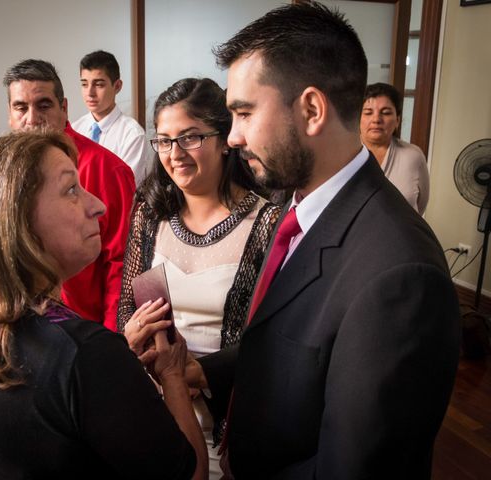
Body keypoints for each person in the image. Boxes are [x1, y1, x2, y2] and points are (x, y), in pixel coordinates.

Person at [181, 3, 460, 478]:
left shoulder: (400, 277)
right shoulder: (295, 206)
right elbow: (292, 340)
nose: (232, 138)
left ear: (311, 109)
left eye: (244, 113)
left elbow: (354, 468)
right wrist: (206, 371)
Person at [0, 131, 208, 479]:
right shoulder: (86, 355)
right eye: (71, 190)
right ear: (17, 221)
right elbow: (191, 473)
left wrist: (116, 366)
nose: (98, 205)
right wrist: (171, 374)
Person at [117, 77, 280, 478]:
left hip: (227, 408)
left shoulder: (266, 222)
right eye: (164, 140)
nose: (175, 154)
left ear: (225, 139)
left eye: (190, 138)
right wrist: (136, 339)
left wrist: (198, 374)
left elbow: (271, 339)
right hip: (154, 395)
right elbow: (127, 302)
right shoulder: (150, 211)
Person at [3, 59, 135, 331]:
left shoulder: (106, 168)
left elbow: (121, 262)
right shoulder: (3, 173)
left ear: (63, 108)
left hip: (85, 329)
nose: (32, 119)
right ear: (10, 114)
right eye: (21, 107)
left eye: (43, 105)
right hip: (23, 326)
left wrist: (113, 338)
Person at [73, 50, 150, 185]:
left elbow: (126, 188)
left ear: (117, 86)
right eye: (84, 84)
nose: (90, 93)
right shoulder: (75, 129)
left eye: (99, 84)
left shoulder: (132, 135)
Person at [361, 82, 430, 214]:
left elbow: (421, 204)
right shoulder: (345, 155)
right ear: (358, 118)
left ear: (397, 120)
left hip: (404, 233)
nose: (376, 119)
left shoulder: (413, 156)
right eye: (368, 112)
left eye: (386, 113)